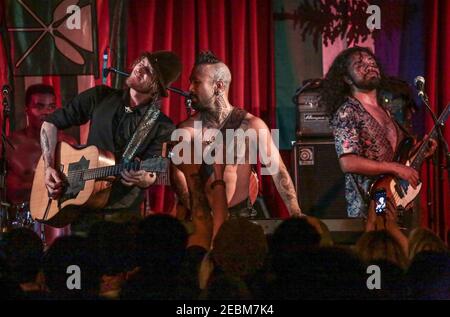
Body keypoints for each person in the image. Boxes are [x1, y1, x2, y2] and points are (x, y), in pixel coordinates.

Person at [40, 51, 181, 234]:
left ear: (157, 87)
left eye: (148, 70)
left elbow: (151, 171)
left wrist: (145, 178)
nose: (139, 69)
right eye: (141, 62)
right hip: (83, 209)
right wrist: (48, 167)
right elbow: (50, 123)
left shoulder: (162, 125)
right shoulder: (101, 95)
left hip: (123, 216)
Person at [171, 51, 303, 238]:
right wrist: (197, 210)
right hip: (203, 220)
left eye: (196, 82)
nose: (189, 88)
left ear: (218, 86)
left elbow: (277, 170)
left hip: (241, 220)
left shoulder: (252, 125)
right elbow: (178, 174)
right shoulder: (186, 129)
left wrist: (295, 212)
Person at [321, 46, 436, 220]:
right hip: (369, 207)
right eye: (360, 64)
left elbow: (395, 158)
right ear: (346, 78)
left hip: (398, 202)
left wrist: (418, 154)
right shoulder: (347, 111)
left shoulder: (386, 111)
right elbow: (348, 162)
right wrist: (395, 168)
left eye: (371, 61)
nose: (369, 66)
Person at [6, 84, 77, 243]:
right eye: (39, 106)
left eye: (51, 106)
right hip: (21, 226)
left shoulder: (68, 143)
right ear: (27, 110)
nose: (47, 112)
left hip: (58, 221)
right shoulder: (10, 145)